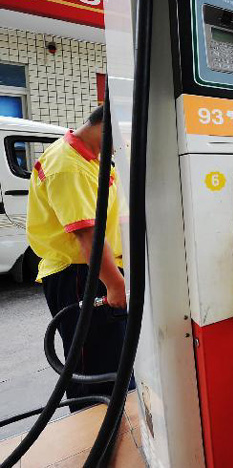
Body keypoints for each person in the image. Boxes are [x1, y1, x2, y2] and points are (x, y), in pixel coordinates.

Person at [26, 106, 129, 411]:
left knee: (113, 361)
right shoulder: (67, 165)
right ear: (105, 125)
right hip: (80, 276)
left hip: (97, 271)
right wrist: (115, 284)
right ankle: (96, 442)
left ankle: (117, 426)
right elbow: (88, 236)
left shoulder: (93, 159)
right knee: (93, 370)